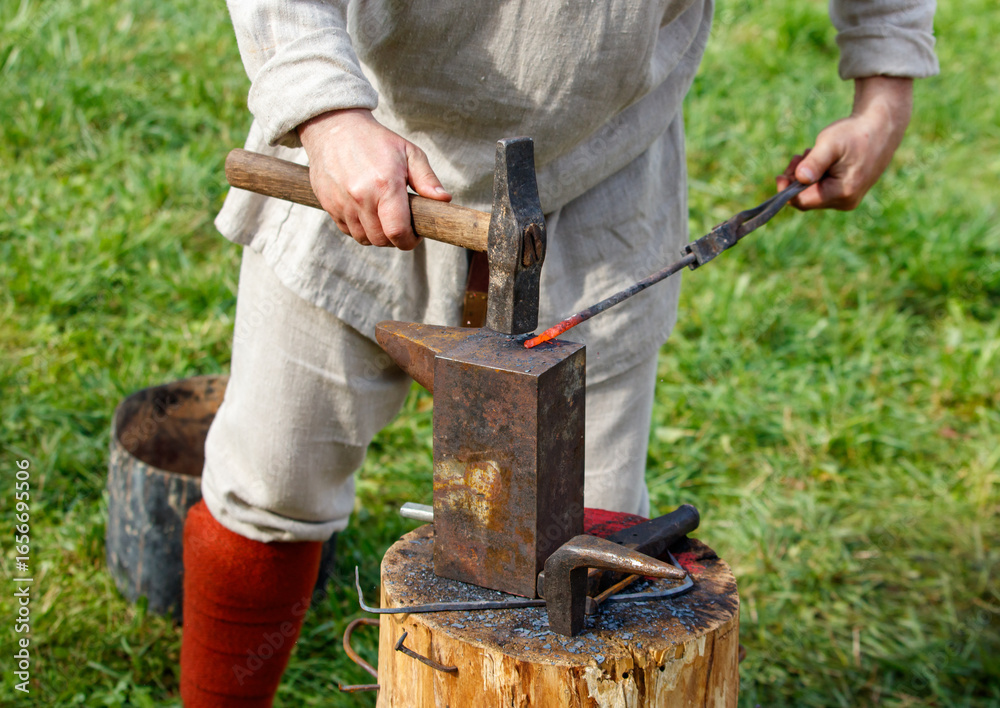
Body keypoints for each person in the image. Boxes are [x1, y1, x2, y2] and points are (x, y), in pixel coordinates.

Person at [180, 2, 938, 705]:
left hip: (601, 178)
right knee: (268, 488)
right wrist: (324, 112)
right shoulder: (341, 128)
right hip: (361, 150)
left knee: (594, 578)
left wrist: (885, 88)